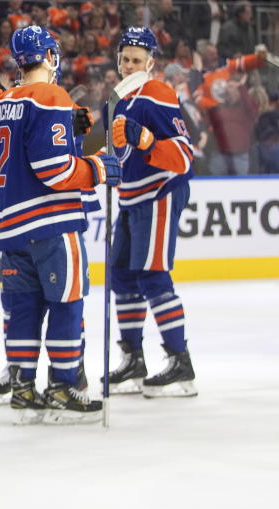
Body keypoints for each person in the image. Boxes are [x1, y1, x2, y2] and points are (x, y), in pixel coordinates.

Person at [0, 26, 115, 424]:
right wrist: (96, 168)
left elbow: (22, 159)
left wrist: (75, 137)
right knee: (67, 302)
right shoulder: (51, 96)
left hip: (11, 228)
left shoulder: (2, 102)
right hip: (51, 222)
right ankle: (62, 387)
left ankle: (23, 389)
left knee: (22, 308)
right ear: (50, 56)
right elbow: (53, 169)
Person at [107, 27, 197, 398]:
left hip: (159, 192)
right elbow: (112, 151)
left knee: (152, 276)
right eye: (125, 59)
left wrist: (145, 139)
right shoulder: (115, 99)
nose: (129, 65)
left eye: (137, 60)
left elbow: (183, 155)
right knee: (123, 277)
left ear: (151, 63)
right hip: (130, 197)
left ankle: (180, 362)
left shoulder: (157, 92)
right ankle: (133, 360)